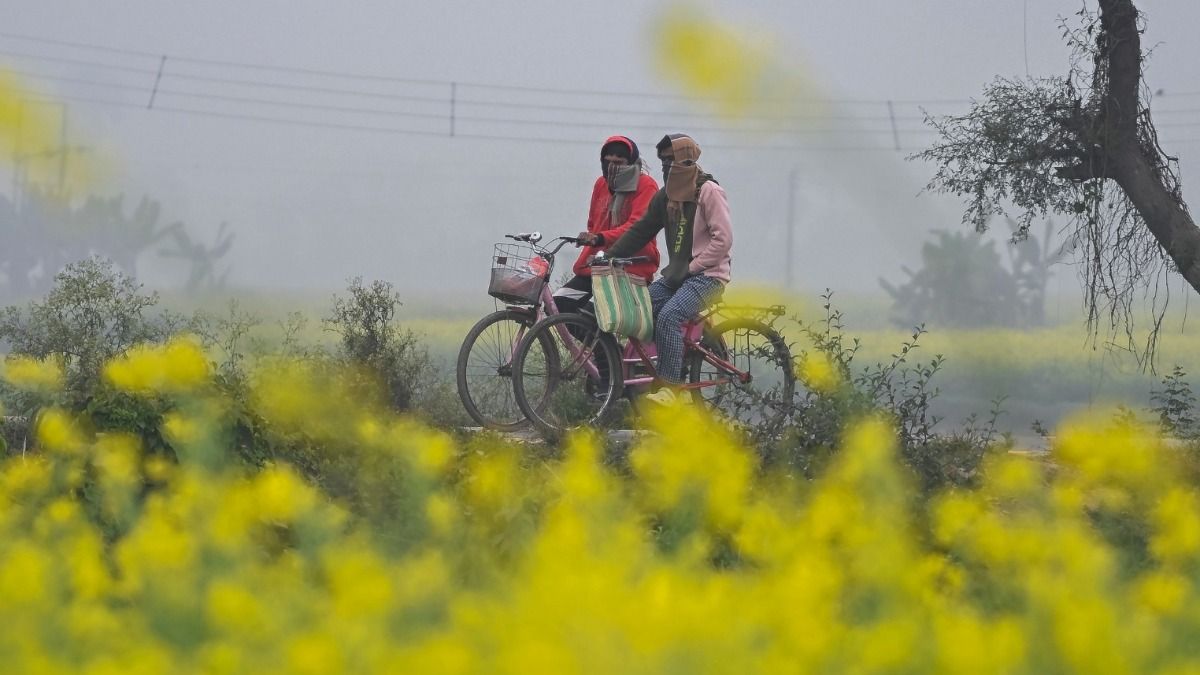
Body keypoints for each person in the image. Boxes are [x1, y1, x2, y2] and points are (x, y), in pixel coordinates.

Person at [604, 133, 732, 405]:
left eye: (671, 162)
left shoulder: (709, 192)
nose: (665, 168)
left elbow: (723, 240)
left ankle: (670, 388)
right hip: (678, 276)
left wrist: (693, 266)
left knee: (669, 316)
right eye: (662, 162)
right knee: (641, 309)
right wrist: (609, 255)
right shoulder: (665, 198)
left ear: (686, 162)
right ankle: (667, 363)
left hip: (708, 277)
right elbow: (642, 230)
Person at [552, 136, 660, 314]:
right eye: (607, 161)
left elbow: (637, 227)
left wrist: (600, 238)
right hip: (597, 265)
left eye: (618, 162)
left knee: (600, 314)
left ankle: (603, 341)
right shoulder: (601, 184)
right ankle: (599, 342)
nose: (611, 167)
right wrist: (590, 237)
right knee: (559, 305)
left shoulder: (646, 186)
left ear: (631, 162)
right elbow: (593, 222)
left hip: (630, 267)